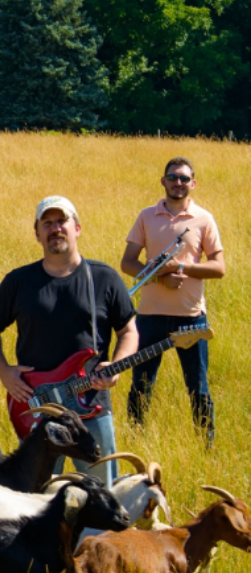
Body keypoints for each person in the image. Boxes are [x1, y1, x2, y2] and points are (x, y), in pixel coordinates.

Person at [0, 196, 137, 484]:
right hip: (36, 408)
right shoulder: (18, 281)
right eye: (47, 223)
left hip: (92, 404)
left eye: (62, 221)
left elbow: (129, 330)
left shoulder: (103, 278)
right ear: (37, 233)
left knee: (99, 493)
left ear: (77, 228)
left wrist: (116, 365)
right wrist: (4, 372)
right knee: (36, 500)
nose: (55, 228)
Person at [121, 157, 225, 445]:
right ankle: (135, 443)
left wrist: (180, 268)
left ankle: (207, 449)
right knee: (141, 387)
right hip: (149, 316)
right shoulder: (146, 216)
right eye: (172, 177)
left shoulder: (204, 219)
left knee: (198, 388)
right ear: (163, 181)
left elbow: (219, 268)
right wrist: (158, 278)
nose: (178, 183)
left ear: (193, 183)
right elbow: (128, 263)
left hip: (192, 318)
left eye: (183, 178)